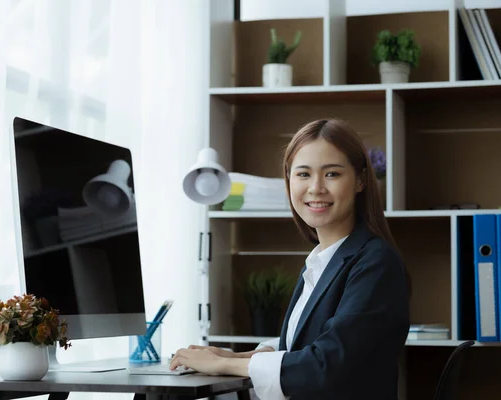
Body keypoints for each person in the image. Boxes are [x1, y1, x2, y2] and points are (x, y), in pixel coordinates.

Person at [170, 118, 411, 399]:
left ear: (360, 180)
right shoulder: (322, 261)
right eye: (303, 174)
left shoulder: (375, 262)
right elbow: (303, 345)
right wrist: (232, 356)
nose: (316, 188)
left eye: (332, 174)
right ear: (289, 179)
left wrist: (223, 364)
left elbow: (327, 364)